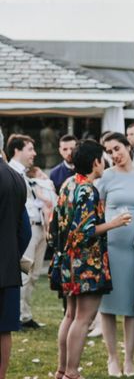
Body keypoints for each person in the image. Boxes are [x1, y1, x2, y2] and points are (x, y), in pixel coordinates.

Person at [48, 139, 131, 379]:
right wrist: (114, 223)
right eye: (102, 157)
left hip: (67, 262)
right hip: (86, 264)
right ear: (95, 162)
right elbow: (84, 232)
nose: (105, 161)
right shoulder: (88, 190)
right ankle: (72, 372)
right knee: (83, 319)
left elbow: (55, 226)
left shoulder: (67, 184)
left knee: (71, 316)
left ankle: (62, 370)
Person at [98, 132, 134, 378]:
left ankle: (130, 359)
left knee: (133, 304)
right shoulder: (106, 177)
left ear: (127, 146)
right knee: (108, 305)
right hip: (111, 246)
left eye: (117, 148)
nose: (114, 155)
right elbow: (99, 210)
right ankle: (112, 357)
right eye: (110, 152)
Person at [6, 134, 46, 330]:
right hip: (25, 227)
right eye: (30, 149)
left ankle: (26, 314)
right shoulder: (10, 172)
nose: (34, 154)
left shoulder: (28, 174)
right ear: (17, 150)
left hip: (39, 227)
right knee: (23, 273)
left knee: (34, 275)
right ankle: (18, 316)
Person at [0, 126, 29, 379]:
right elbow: (25, 231)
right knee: (4, 329)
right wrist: (12, 253)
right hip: (8, 268)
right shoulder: (16, 178)